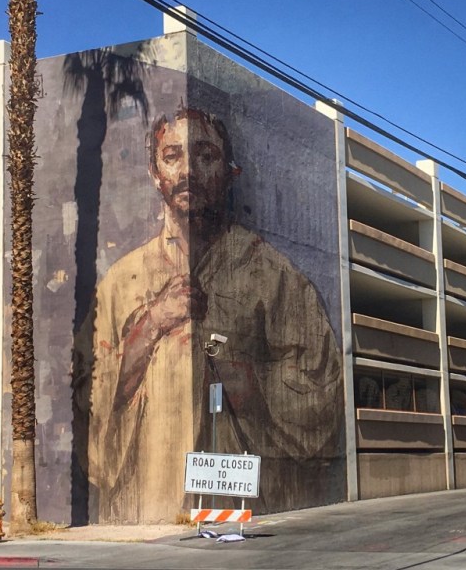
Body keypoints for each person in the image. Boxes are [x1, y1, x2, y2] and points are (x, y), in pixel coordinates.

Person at [76, 107, 344, 523]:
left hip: (244, 507)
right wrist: (150, 327)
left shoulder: (273, 275)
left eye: (205, 155)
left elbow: (322, 383)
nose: (189, 170)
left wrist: (251, 382)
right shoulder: (120, 282)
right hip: (147, 510)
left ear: (230, 171)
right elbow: (84, 394)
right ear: (154, 172)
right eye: (172, 156)